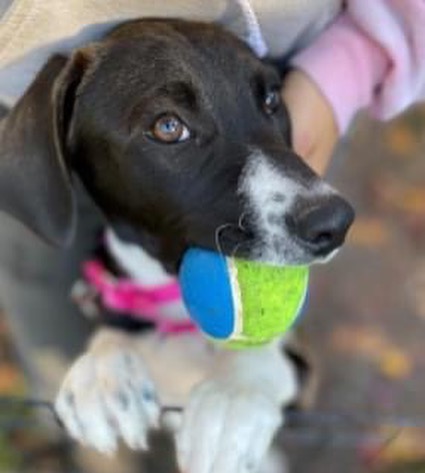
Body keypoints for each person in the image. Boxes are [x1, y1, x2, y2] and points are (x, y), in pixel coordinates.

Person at [0, 0, 424, 452]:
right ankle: (80, 443)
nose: (325, 210)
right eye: (169, 126)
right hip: (32, 111)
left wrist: (334, 77)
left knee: (271, 339)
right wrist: (105, 354)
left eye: (265, 100)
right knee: (64, 358)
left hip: (305, 76)